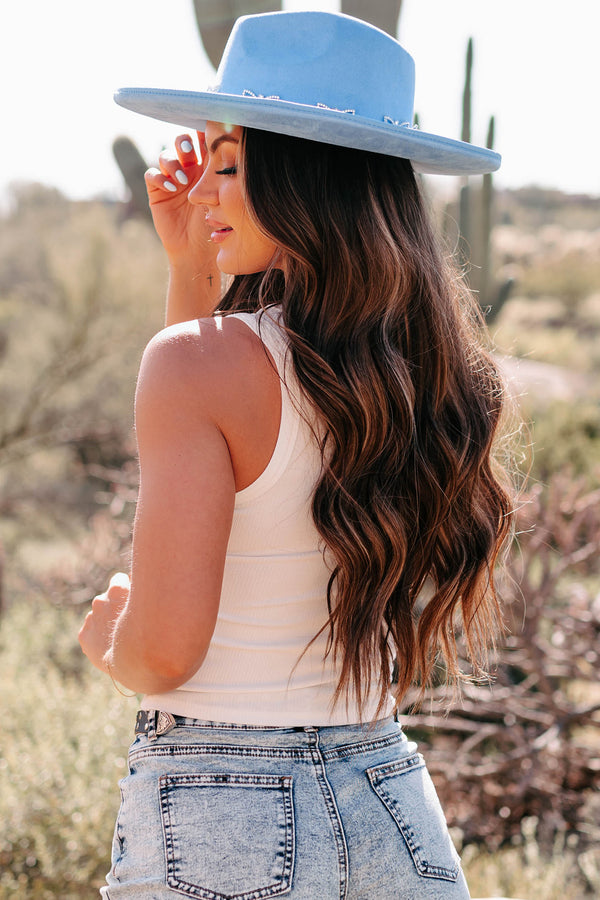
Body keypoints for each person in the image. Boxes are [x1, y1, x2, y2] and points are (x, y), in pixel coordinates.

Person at [79, 10, 513, 899]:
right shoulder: (432, 379)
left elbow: (163, 654)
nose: (200, 191)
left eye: (229, 167)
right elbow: (251, 472)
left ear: (307, 182)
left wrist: (111, 642)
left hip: (220, 815)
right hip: (391, 803)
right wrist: (194, 274)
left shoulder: (200, 365)